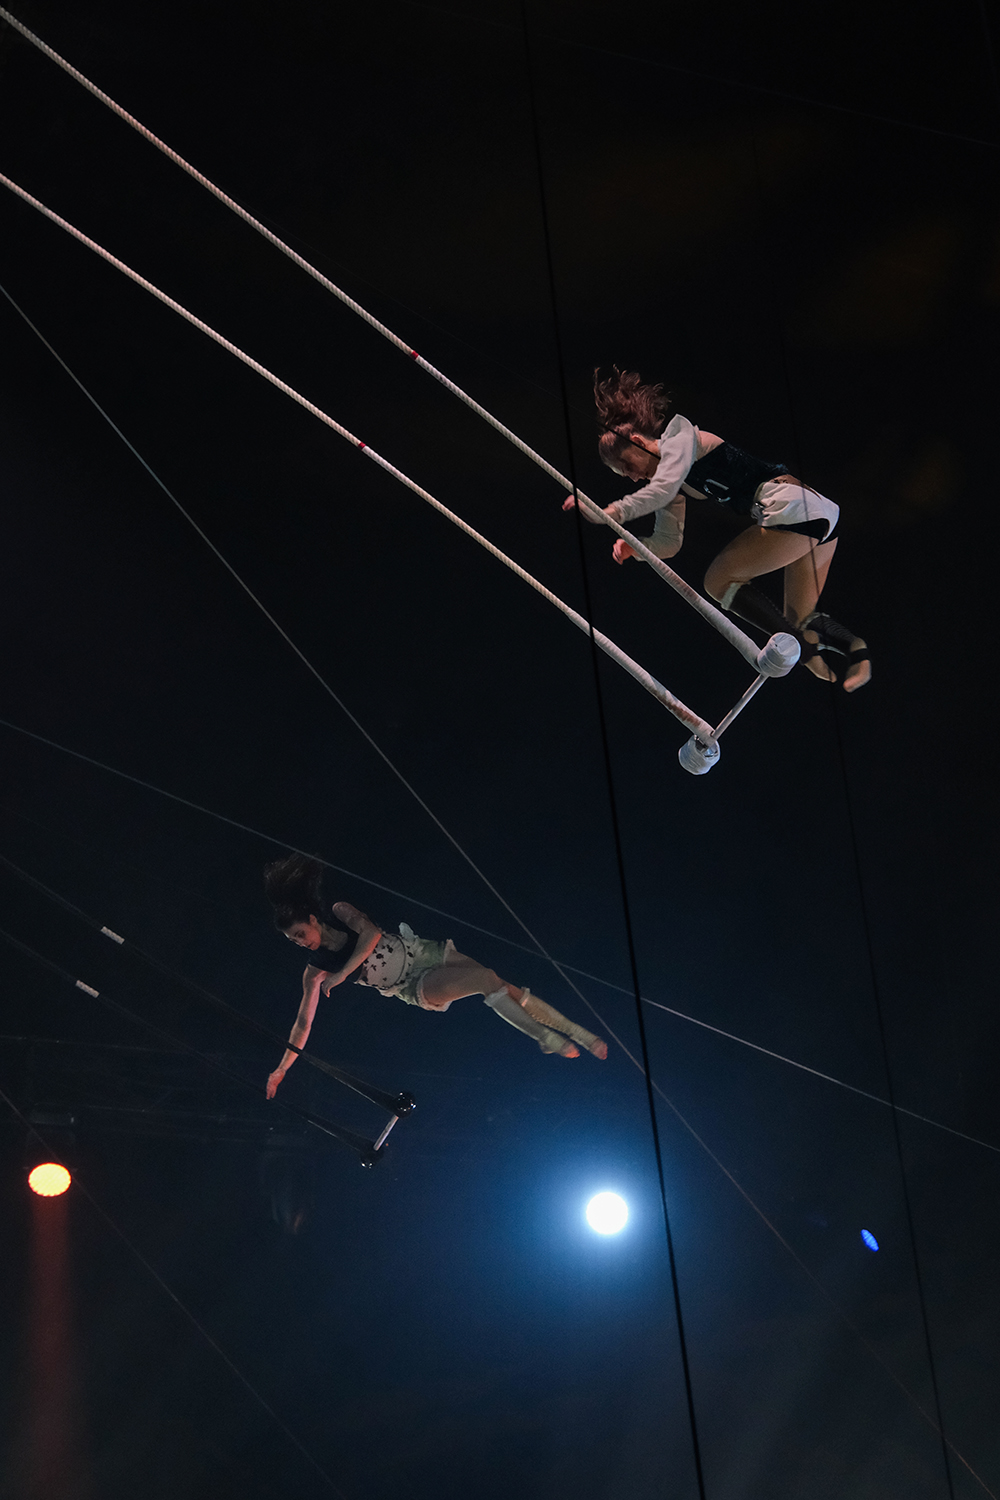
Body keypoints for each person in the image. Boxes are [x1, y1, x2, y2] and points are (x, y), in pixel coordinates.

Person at [564, 368, 870, 691]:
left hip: (792, 507)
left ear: (637, 441)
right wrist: (636, 547)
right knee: (800, 621)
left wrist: (609, 512)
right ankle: (854, 649)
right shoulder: (671, 484)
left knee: (718, 581)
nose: (633, 477)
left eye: (627, 466)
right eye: (623, 475)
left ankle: (802, 650)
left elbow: (662, 488)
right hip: (818, 514)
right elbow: (669, 541)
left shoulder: (679, 437)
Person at [263, 854, 607, 1098]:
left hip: (424, 951)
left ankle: (578, 1033)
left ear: (312, 919)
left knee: (504, 987)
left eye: (299, 933)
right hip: (412, 984)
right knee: (486, 979)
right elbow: (303, 1024)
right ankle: (545, 1037)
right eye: (293, 941)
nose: (300, 942)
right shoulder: (317, 968)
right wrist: (282, 1068)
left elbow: (370, 935)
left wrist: (341, 976)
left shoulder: (340, 912)